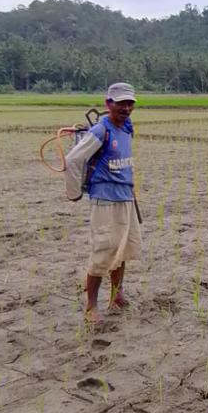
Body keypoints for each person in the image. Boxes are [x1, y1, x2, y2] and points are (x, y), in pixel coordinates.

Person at [65, 82, 141, 324]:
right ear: (108, 104)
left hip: (125, 197)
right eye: (120, 103)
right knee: (102, 252)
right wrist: (74, 192)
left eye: (130, 103)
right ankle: (91, 307)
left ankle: (116, 295)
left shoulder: (127, 128)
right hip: (105, 200)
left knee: (123, 250)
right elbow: (73, 159)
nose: (126, 108)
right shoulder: (101, 130)